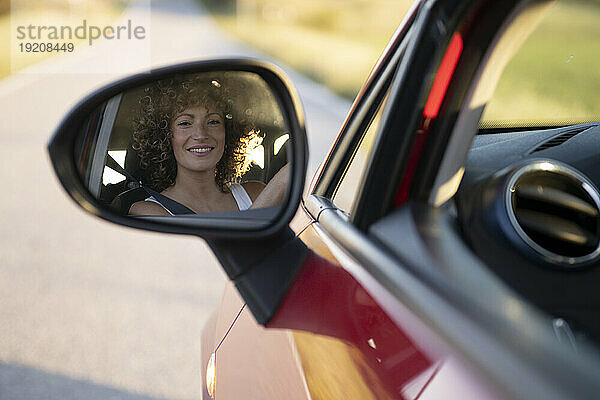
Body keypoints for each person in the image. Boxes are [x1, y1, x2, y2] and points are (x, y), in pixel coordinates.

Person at [128, 73, 287, 216]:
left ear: (228, 132)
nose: (201, 134)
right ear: (165, 137)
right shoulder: (148, 211)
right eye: (185, 123)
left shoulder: (255, 193)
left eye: (213, 121)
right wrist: (281, 182)